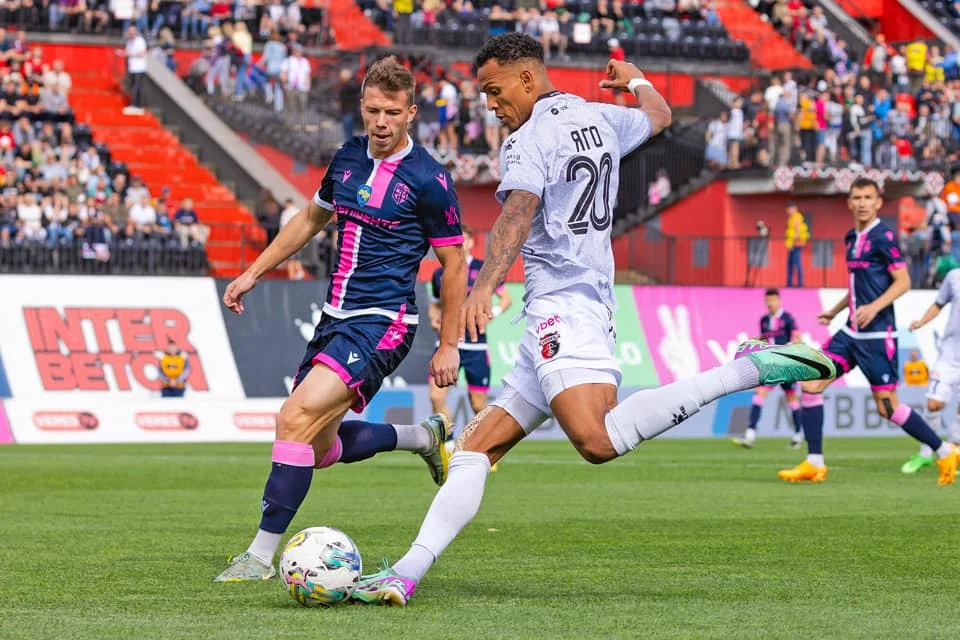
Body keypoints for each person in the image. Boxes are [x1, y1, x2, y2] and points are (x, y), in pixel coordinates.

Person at [349, 33, 839, 606]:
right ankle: (405, 573)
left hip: (565, 306)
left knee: (597, 440)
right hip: (575, 306)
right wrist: (636, 80)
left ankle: (745, 370)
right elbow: (659, 115)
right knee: (473, 450)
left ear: (526, 78)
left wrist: (483, 286)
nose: (489, 103)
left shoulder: (527, 140)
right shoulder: (600, 117)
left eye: (494, 90)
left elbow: (518, 212)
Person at [214, 56, 468, 582]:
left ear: (411, 113)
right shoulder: (348, 157)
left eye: (392, 113)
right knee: (317, 447)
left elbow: (454, 264)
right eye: (373, 111)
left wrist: (449, 344)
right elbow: (311, 218)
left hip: (384, 321)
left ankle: (258, 557)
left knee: (293, 417)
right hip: (334, 317)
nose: (381, 122)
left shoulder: (429, 179)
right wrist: (253, 272)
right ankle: (423, 438)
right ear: (362, 108)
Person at [780, 178, 960, 485]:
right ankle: (814, 462)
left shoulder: (883, 237)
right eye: (857, 197)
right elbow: (857, 285)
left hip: (877, 336)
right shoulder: (852, 237)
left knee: (887, 408)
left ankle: (944, 452)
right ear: (849, 202)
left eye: (868, 197)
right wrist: (836, 310)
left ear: (878, 203)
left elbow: (903, 282)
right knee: (811, 382)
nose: (862, 203)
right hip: (851, 332)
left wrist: (874, 307)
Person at [428, 224, 513, 442]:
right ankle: (448, 446)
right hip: (446, 344)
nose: (461, 243)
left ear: (471, 242)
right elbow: (435, 305)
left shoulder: (483, 270)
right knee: (436, 396)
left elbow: (506, 299)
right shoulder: (440, 273)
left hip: (475, 346)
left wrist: (491, 314)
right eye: (458, 239)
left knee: (477, 404)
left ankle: (481, 446)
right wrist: (434, 318)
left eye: (465, 239)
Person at [902, 267, 960, 474]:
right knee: (933, 404)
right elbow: (938, 304)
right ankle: (926, 453)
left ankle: (954, 451)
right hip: (950, 354)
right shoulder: (954, 276)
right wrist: (921, 322)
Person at [732, 288, 804, 449]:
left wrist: (789, 350)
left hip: (785, 365)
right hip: (770, 365)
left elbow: (798, 338)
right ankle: (750, 435)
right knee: (760, 393)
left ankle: (798, 435)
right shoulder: (764, 320)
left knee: (791, 398)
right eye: (767, 301)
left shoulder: (788, 319)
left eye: (772, 300)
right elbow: (763, 340)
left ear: (779, 301)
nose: (770, 304)